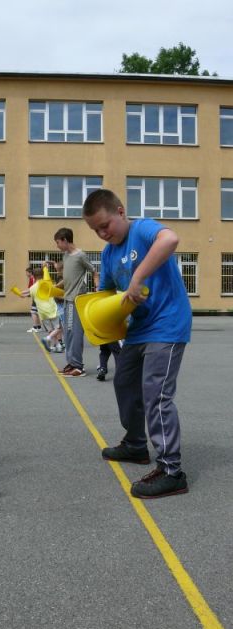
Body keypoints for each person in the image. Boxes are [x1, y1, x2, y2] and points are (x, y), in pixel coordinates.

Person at [82, 188, 192, 499]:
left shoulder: (142, 229)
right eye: (95, 230)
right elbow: (104, 298)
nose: (103, 233)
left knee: (156, 394)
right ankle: (135, 444)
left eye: (105, 225)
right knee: (125, 384)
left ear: (120, 211)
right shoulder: (108, 253)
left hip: (167, 324)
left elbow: (170, 240)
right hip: (138, 330)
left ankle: (172, 471)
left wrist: (137, 277)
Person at [53, 228, 99, 378]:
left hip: (76, 299)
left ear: (65, 240)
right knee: (68, 332)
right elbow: (67, 278)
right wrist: (54, 287)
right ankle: (71, 363)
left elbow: (94, 271)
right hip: (67, 298)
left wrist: (97, 286)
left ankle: (78, 367)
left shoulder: (80, 255)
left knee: (75, 332)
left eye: (58, 242)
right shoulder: (66, 256)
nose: (57, 246)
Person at [20, 267, 62, 352]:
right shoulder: (47, 283)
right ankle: (48, 338)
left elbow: (31, 294)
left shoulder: (32, 288)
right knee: (60, 328)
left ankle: (57, 346)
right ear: (43, 275)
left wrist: (22, 294)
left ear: (33, 276)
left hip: (42, 312)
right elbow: (55, 292)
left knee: (50, 330)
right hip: (52, 309)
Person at [25, 266, 42, 333]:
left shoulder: (33, 279)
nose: (26, 274)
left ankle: (35, 327)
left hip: (36, 297)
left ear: (30, 272)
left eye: (26, 272)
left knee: (33, 312)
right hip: (36, 297)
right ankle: (39, 327)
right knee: (36, 312)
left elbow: (32, 289)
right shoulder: (32, 279)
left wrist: (24, 294)